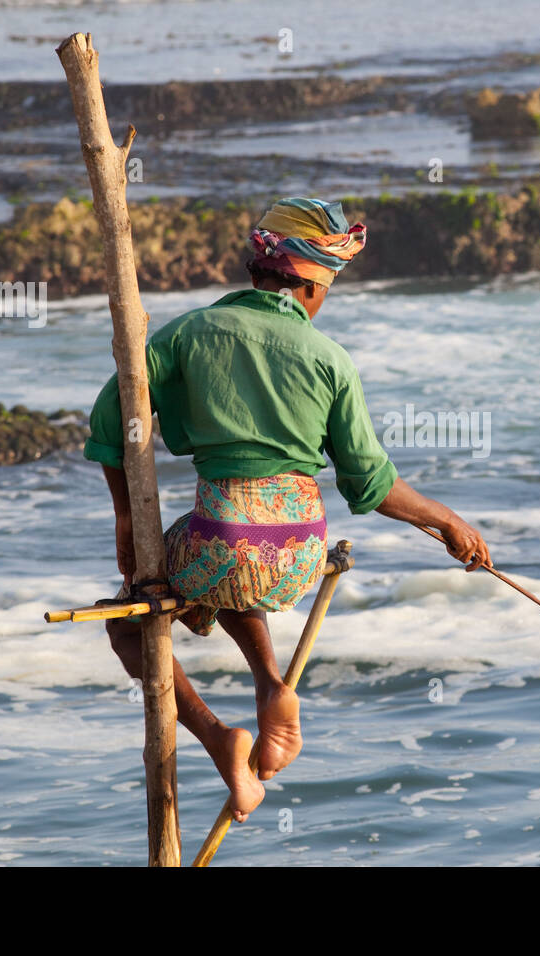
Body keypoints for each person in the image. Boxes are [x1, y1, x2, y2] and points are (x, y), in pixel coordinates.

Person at [84, 197, 492, 821]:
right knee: (230, 566)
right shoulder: (331, 360)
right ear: (308, 287)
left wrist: (123, 519)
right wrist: (449, 524)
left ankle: (222, 742)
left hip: (221, 541)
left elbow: (113, 419)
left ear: (259, 270)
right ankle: (271, 685)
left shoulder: (189, 333)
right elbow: (372, 483)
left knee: (126, 620)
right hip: (297, 553)